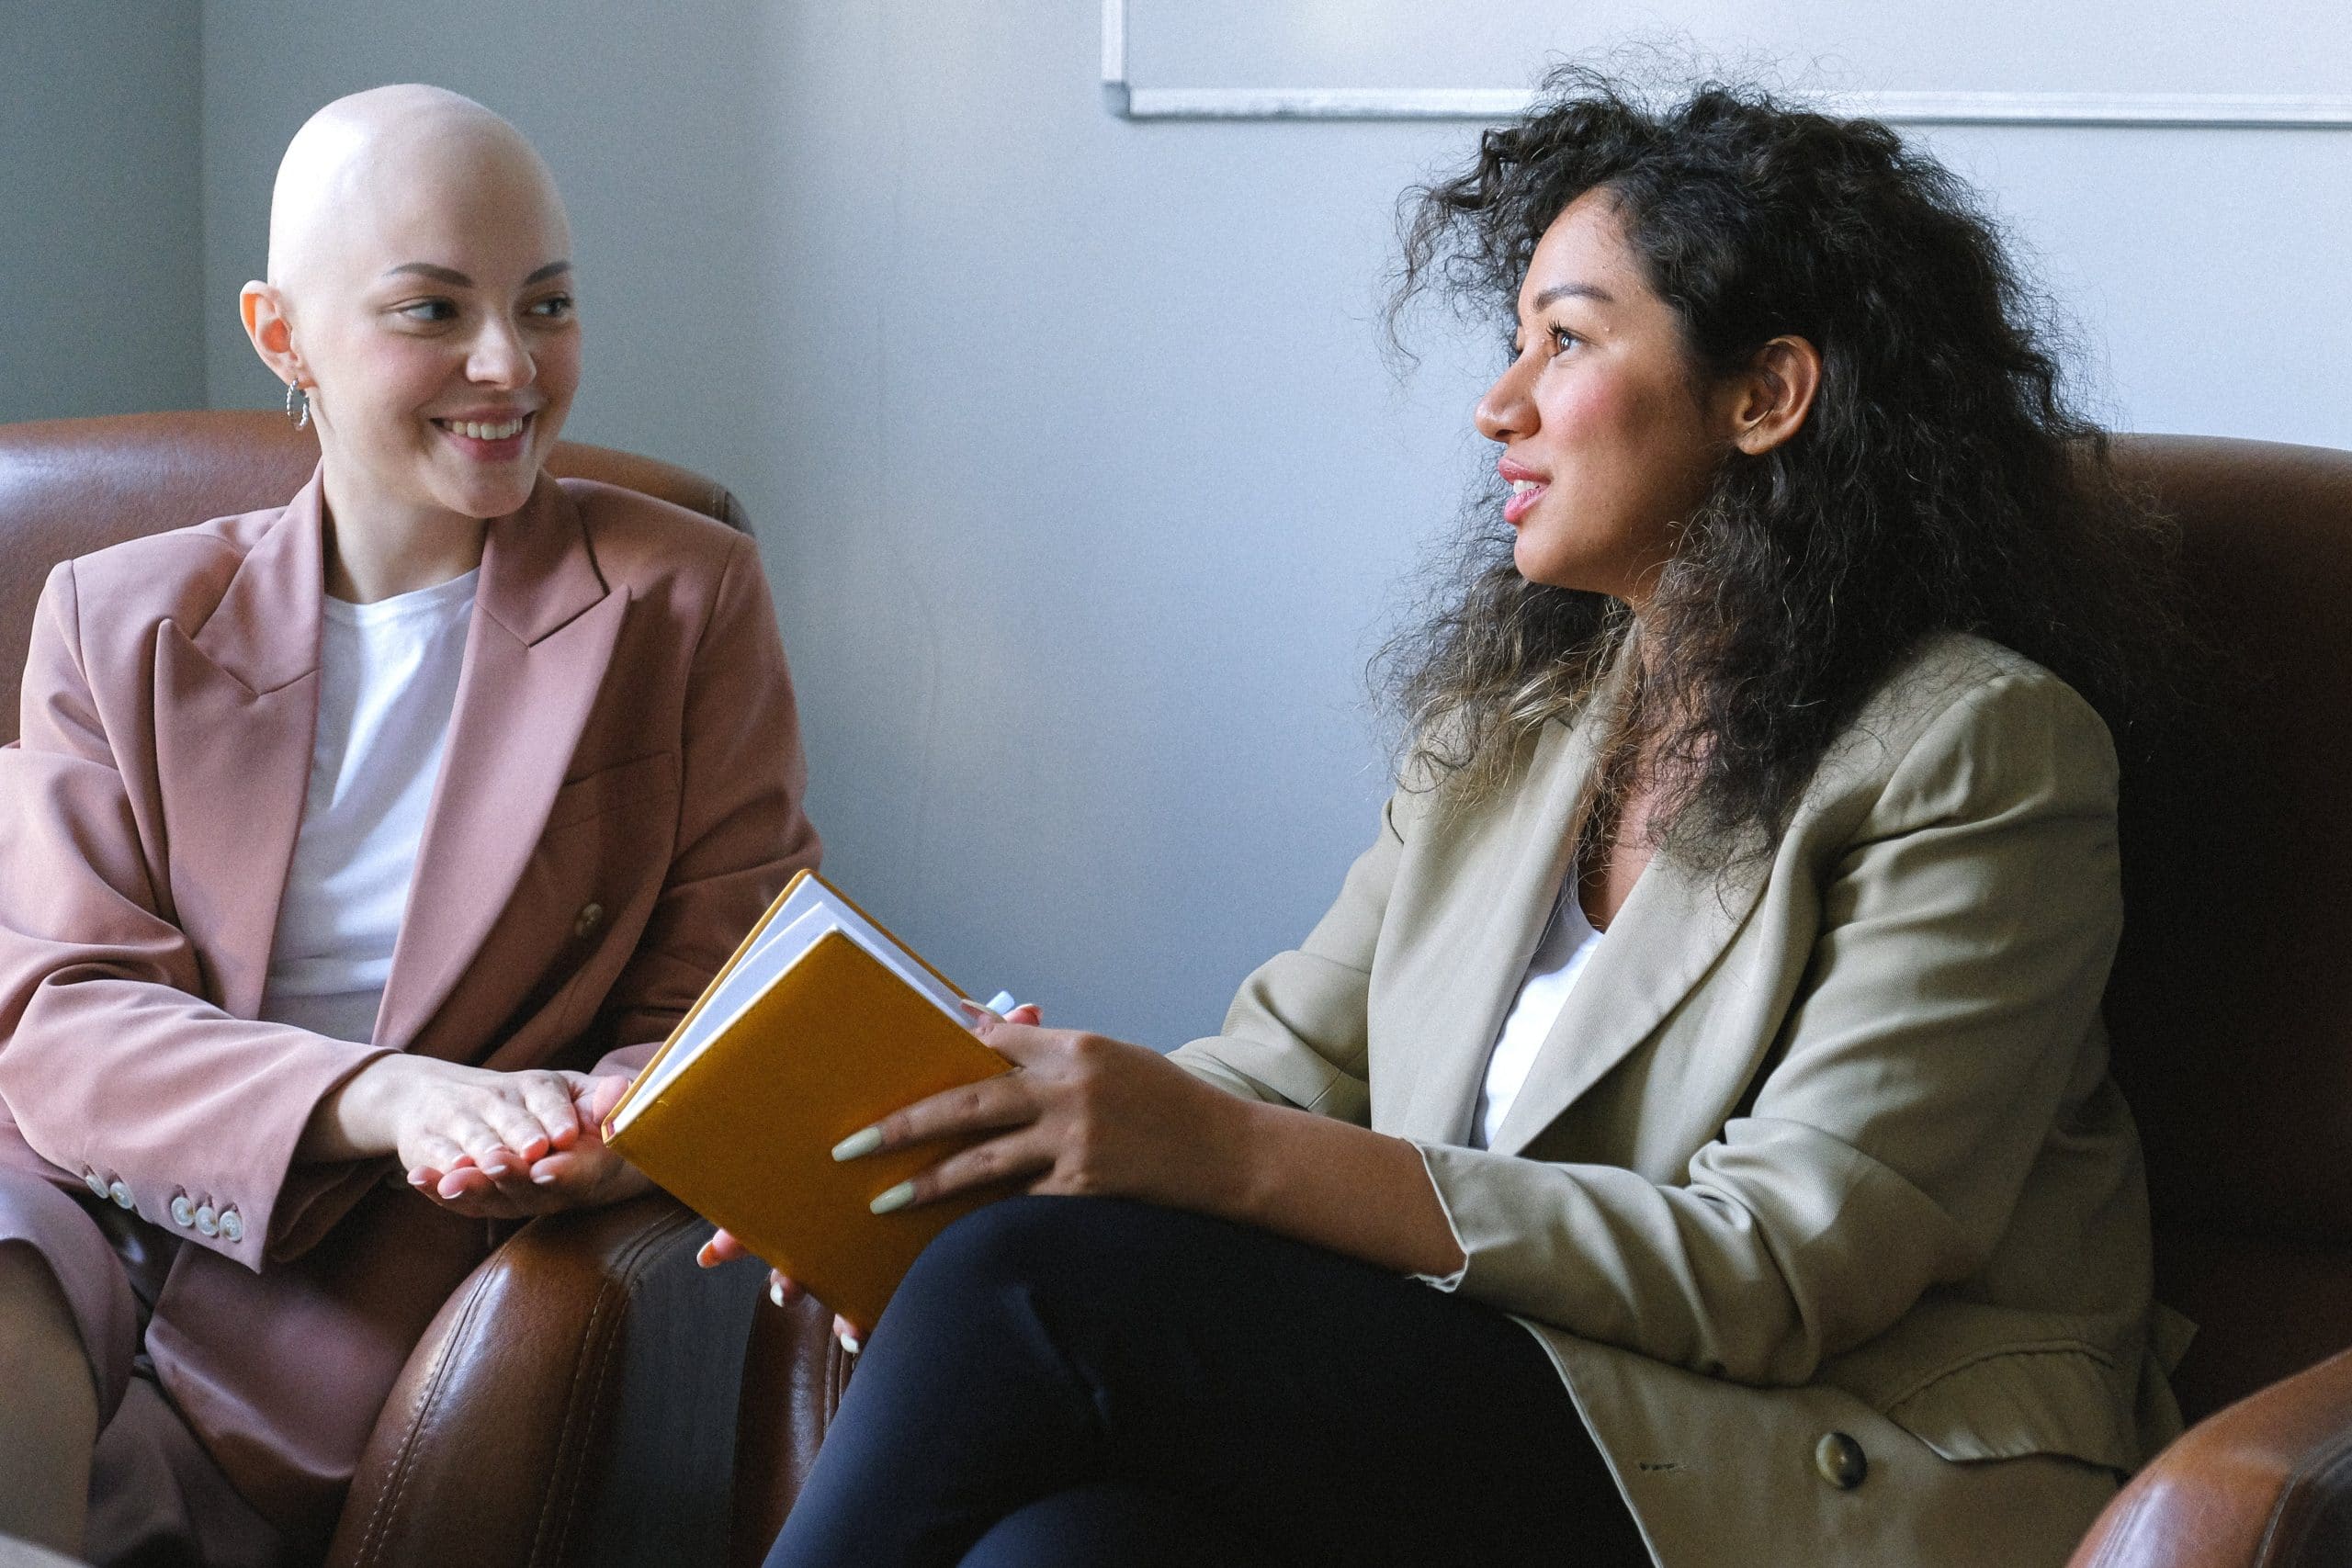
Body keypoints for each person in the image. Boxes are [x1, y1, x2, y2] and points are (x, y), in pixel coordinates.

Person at [741, 68, 2187, 1568]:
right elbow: (1273, 1080)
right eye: (1514, 345)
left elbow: (1781, 1267)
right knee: (1068, 1548)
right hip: (1521, 1421)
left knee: (1029, 1290)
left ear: (1765, 395)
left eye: (1563, 340)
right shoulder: (1507, 743)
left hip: (1821, 1463)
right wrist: (931, 1147)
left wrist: (1178, 1171)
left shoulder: (1983, 753)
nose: (1497, 405)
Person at [0, 85, 818, 1566]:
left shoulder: (679, 602)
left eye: (547, 305)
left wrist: (612, 1127)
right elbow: (58, 1016)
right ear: (282, 336)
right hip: (67, 1199)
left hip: (369, 1278)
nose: (506, 364)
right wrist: (387, 1092)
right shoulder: (115, 615)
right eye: (431, 310)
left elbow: (722, 998)